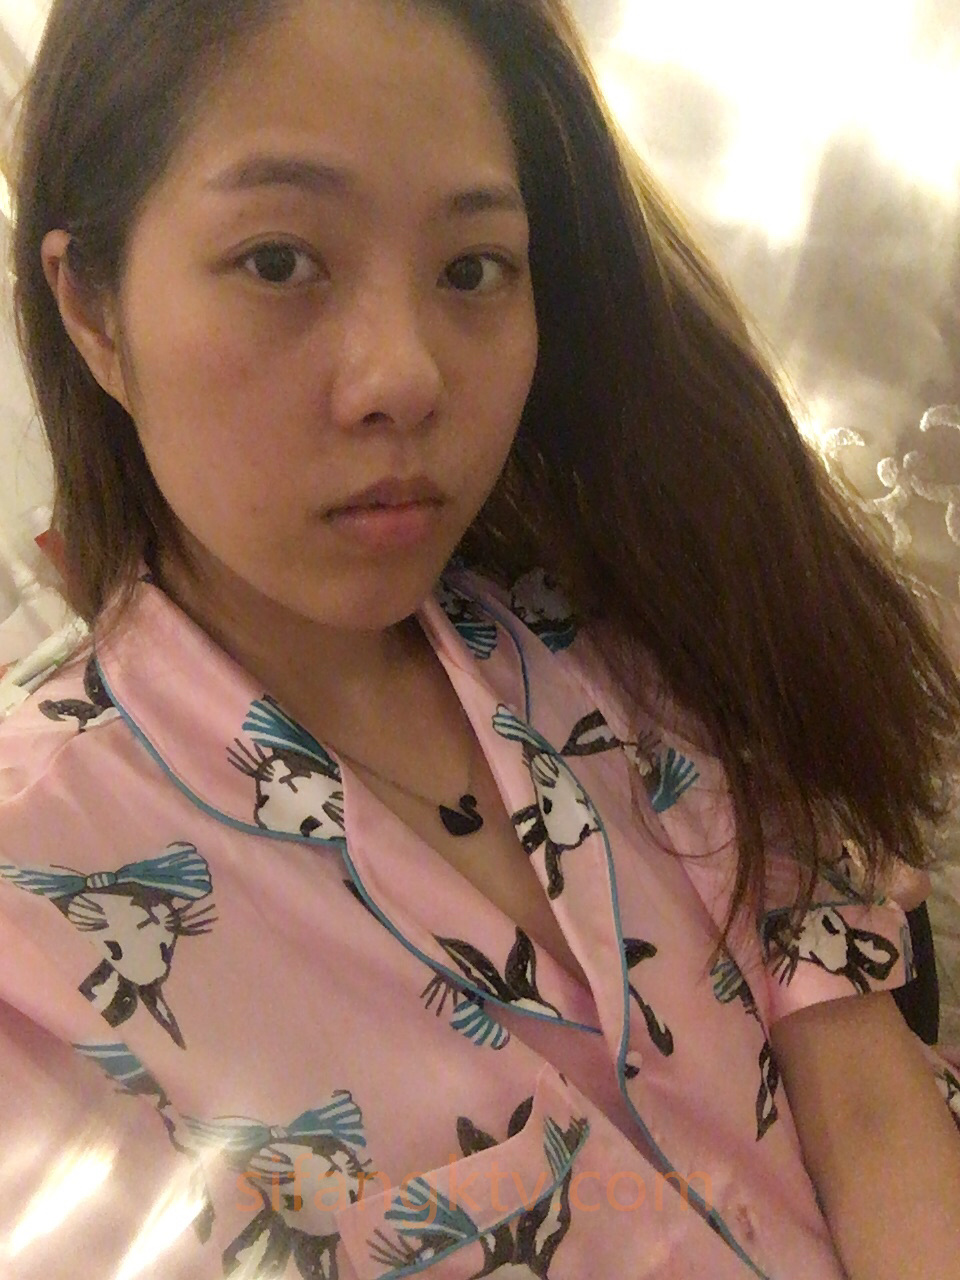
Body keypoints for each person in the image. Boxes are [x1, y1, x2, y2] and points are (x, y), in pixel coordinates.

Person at [2, 0, 960, 1275]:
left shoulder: (629, 638)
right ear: (93, 308)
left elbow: (870, 1103)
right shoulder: (37, 919)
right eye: (279, 260)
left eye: (472, 269)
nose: (407, 375)